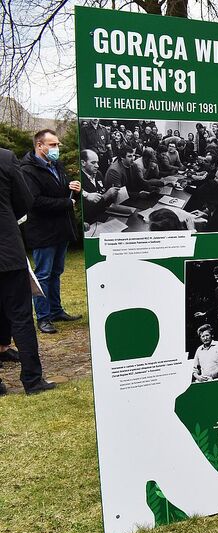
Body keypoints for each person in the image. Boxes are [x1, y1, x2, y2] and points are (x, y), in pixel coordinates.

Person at [0, 147, 55, 395]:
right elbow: (24, 200)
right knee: (21, 316)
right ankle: (32, 380)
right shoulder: (4, 157)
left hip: (7, 250)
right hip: (7, 249)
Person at [20, 129, 82, 334]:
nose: (56, 149)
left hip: (61, 229)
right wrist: (67, 202)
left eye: (57, 145)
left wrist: (73, 188)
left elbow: (62, 191)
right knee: (43, 275)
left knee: (56, 272)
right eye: (53, 145)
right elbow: (35, 201)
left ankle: (56, 310)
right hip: (43, 232)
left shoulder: (56, 165)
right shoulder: (27, 170)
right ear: (40, 146)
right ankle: (43, 317)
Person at [80, 149, 120, 225]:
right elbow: (86, 211)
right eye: (93, 163)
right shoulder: (79, 179)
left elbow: (104, 196)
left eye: (97, 162)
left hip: (105, 215)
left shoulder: (98, 174)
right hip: (91, 222)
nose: (97, 166)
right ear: (83, 163)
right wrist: (106, 196)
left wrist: (112, 195)